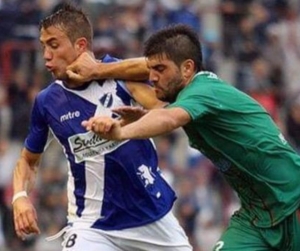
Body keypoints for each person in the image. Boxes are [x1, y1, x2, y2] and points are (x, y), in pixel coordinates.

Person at [80, 24, 300, 251]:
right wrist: (144, 114)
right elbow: (166, 113)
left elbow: (169, 119)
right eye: (151, 70)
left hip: (294, 200)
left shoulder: (202, 90)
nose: (152, 77)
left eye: (160, 69)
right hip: (257, 216)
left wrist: (120, 132)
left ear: (187, 69)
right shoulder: (193, 96)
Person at [11, 5, 192, 251]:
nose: (46, 55)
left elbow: (168, 103)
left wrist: (137, 116)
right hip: (91, 224)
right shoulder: (46, 102)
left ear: (81, 45)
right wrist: (20, 197)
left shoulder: (118, 76)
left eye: (54, 45)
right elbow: (28, 161)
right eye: (43, 46)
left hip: (149, 216)